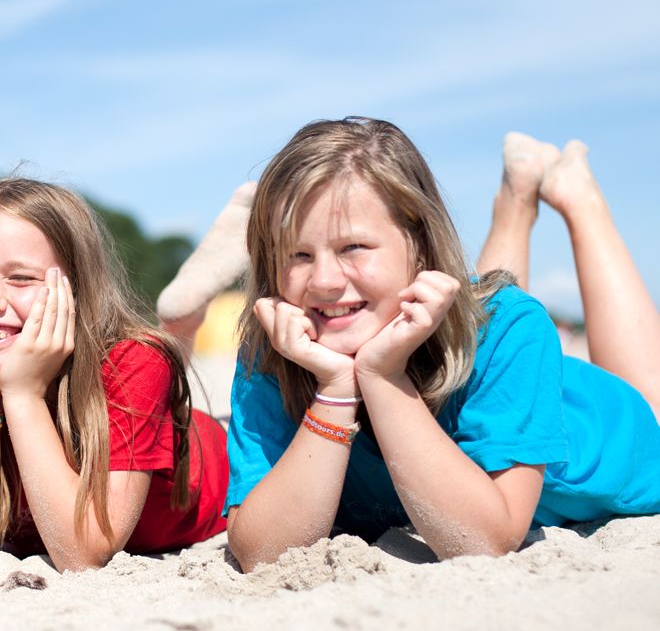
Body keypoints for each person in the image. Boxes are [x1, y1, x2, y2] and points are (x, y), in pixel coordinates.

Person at [222, 117, 660, 570]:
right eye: (298, 253)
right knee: (478, 311)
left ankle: (578, 198)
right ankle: (517, 197)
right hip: (462, 341)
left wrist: (383, 375)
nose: (325, 281)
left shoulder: (513, 328)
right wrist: (335, 389)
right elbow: (262, 553)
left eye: (353, 246)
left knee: (504, 318)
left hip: (608, 425)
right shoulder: (273, 352)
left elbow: (487, 541)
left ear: (420, 241)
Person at [0, 178, 228, 580]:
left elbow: (83, 553)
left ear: (74, 289)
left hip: (216, 468)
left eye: (20, 278)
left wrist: (22, 396)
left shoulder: (134, 363)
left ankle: (183, 322)